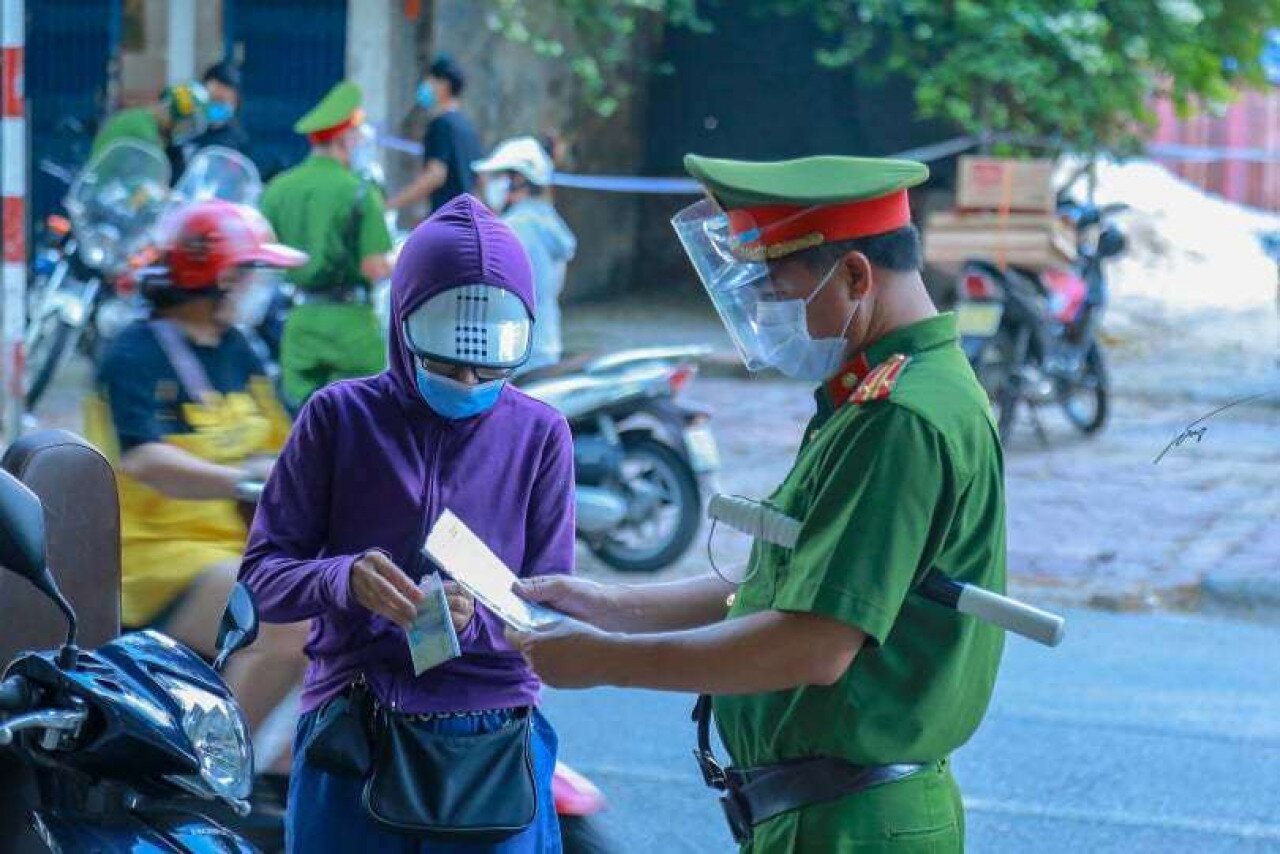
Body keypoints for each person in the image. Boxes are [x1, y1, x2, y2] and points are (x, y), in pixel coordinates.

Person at [506, 154, 1008, 851]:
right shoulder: (878, 395)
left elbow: (814, 641)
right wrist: (611, 607)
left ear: (857, 276)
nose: (766, 316)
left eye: (777, 291)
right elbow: (787, 586)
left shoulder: (902, 418)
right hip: (825, 814)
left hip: (853, 826)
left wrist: (605, 661)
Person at [239, 194, 574, 852]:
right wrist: (343, 579)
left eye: (490, 366)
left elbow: (555, 613)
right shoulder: (338, 419)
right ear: (401, 323)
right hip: (353, 731)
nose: (470, 379)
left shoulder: (541, 436)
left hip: (492, 743)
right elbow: (261, 578)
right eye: (447, 363)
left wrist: (482, 617)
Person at [84, 200, 310, 768]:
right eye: (254, 273)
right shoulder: (133, 354)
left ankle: (287, 773)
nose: (262, 288)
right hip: (156, 556)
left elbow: (288, 443)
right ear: (221, 277)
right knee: (284, 616)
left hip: (236, 547)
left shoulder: (240, 350)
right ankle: (208, 772)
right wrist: (240, 482)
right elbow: (143, 460)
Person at [260, 80, 393, 408]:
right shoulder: (360, 192)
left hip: (299, 326)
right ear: (344, 138)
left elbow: (264, 257)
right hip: (352, 329)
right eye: (358, 135)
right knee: (365, 427)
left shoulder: (277, 190)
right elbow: (374, 267)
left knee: (304, 430)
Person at [473, 136, 577, 370]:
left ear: (519, 180)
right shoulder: (544, 220)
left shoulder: (516, 228)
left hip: (514, 355)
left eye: (498, 175)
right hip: (543, 344)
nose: (490, 183)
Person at [385, 55, 483, 216]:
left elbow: (435, 175)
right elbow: (479, 178)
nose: (425, 87)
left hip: (446, 218)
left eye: (430, 81)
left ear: (444, 85)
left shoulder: (441, 125)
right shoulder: (467, 128)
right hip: (467, 220)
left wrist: (393, 203)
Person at [91, 81, 209, 175]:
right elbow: (151, 181)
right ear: (172, 115)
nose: (184, 131)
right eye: (187, 125)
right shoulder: (145, 132)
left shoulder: (138, 118)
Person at [190, 59, 253, 159]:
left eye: (221, 100)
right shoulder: (193, 140)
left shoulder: (238, 141)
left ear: (236, 101)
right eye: (212, 100)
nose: (215, 106)